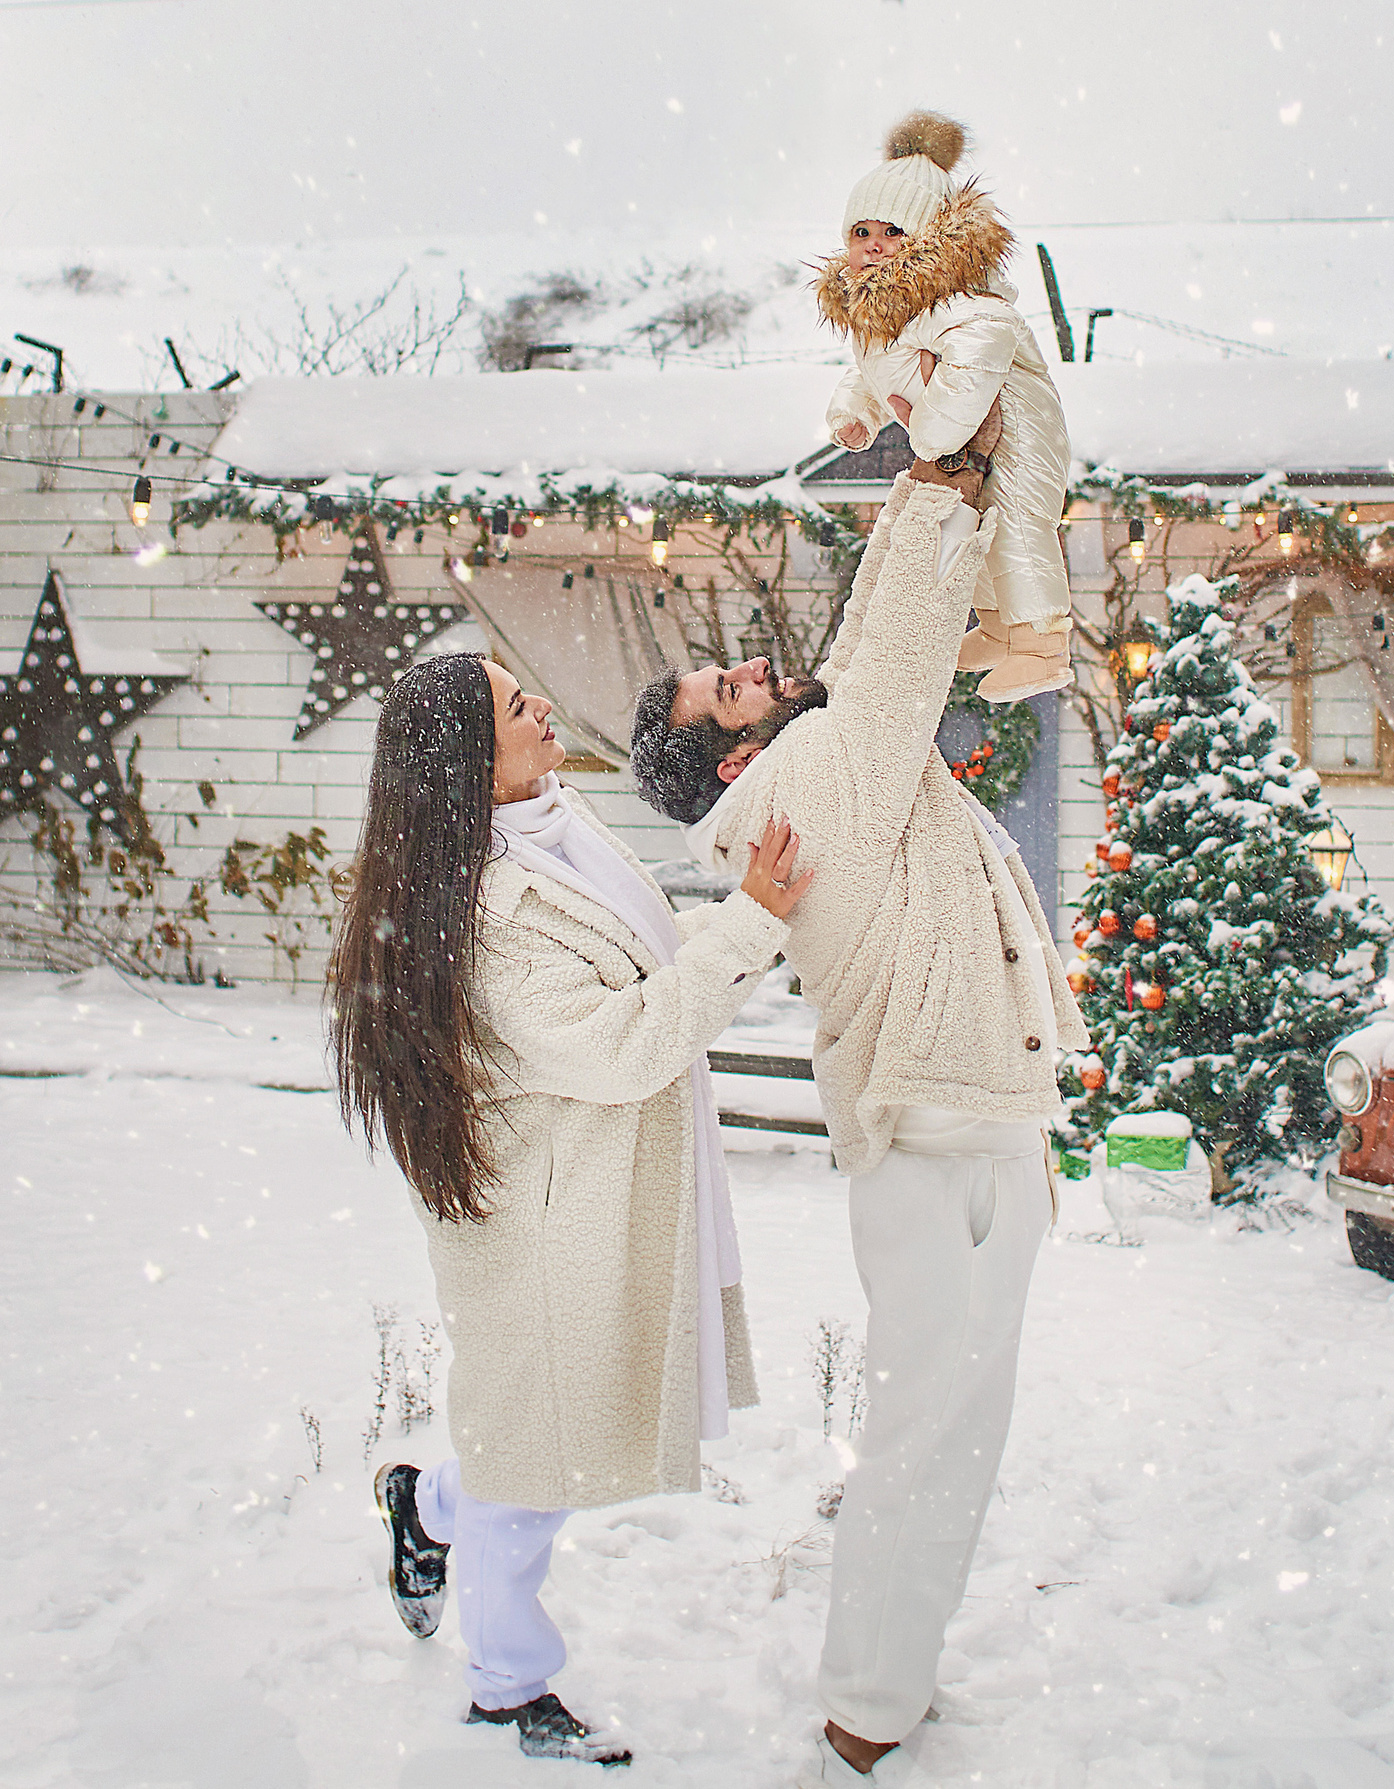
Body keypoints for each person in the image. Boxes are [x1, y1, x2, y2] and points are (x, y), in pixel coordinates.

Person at [628, 405, 1088, 1783]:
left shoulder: (810, 756)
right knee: (930, 1435)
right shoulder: (804, 782)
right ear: (732, 758)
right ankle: (865, 1711)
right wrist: (939, 482)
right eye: (724, 690)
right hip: (942, 1147)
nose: (748, 668)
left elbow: (851, 661)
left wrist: (922, 487)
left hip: (965, 1134)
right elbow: (885, 665)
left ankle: (890, 1681)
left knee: (948, 1429)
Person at [330, 651, 810, 1766]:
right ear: (469, 760)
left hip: (592, 1185)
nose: (541, 703)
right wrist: (751, 924)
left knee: (541, 1440)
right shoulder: (480, 908)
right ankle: (505, 1687)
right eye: (515, 704)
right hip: (540, 1220)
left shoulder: (551, 821)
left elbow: (645, 963)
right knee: (533, 1464)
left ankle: (425, 1507)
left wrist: (749, 918)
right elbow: (623, 1041)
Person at [812, 108, 1073, 705]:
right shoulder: (885, 310)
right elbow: (876, 369)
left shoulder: (955, 300)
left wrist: (933, 430)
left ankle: (1041, 645)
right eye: (861, 232)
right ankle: (1000, 629)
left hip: (1019, 430)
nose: (874, 245)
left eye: (893, 232)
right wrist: (856, 412)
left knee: (1015, 525)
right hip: (967, 434)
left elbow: (984, 347)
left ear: (928, 239)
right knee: (976, 526)